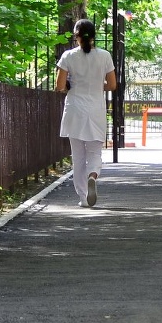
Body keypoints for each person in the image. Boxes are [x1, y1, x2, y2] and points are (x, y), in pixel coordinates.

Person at [55, 19, 116, 207]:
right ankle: (93, 176)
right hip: (95, 110)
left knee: (78, 157)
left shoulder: (68, 56)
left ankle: (83, 198)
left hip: (74, 109)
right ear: (93, 36)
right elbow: (112, 85)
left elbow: (59, 86)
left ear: (76, 36)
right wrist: (97, 85)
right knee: (95, 152)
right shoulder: (104, 56)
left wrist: (72, 85)